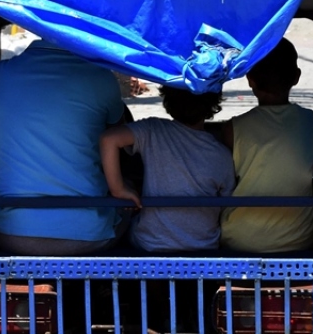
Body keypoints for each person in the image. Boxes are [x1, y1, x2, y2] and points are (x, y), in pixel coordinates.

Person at [0, 40, 127, 255]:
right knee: (131, 193)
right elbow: (118, 128)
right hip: (88, 236)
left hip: (11, 233)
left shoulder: (0, 74)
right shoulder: (100, 76)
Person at [218, 38, 313, 253]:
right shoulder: (309, 122)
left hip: (239, 241)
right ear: (296, 77)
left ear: (250, 80)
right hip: (299, 241)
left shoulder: (232, 129)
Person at [100, 87, 234, 253]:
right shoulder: (222, 155)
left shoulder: (152, 130)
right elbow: (226, 203)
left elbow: (108, 139)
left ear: (167, 101)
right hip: (203, 245)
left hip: (150, 243)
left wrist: (118, 190)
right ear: (213, 104)